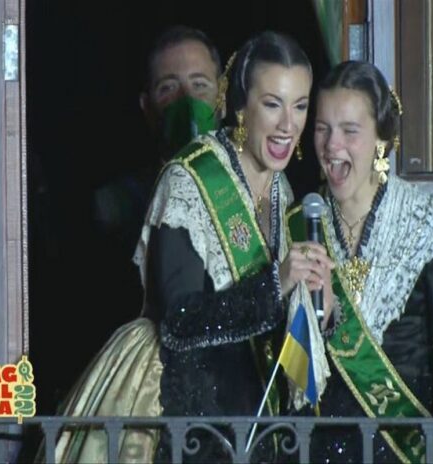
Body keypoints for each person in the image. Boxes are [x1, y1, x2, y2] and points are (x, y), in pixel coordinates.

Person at [139, 30, 334, 462]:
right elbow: (179, 321)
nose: (288, 125)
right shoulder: (189, 180)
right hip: (201, 432)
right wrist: (276, 283)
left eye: (300, 106)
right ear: (239, 106)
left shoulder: (281, 188)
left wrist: (318, 301)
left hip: (265, 432)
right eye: (273, 104)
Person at [287, 60, 433, 463]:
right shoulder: (299, 224)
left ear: (381, 137)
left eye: (350, 131)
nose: (332, 145)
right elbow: (291, 370)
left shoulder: (424, 220)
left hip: (405, 445)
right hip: (320, 446)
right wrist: (320, 323)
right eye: (322, 128)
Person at [92, 25, 223, 258]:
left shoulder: (258, 191)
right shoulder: (116, 208)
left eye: (200, 85)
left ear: (222, 99)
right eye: (168, 88)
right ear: (147, 107)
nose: (187, 99)